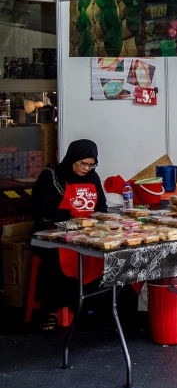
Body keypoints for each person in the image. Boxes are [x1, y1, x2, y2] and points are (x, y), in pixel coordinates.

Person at [31, 139, 109, 331]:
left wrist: (97, 220)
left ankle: (91, 305)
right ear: (72, 158)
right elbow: (40, 210)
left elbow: (102, 207)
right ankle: (50, 311)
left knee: (103, 258)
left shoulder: (93, 177)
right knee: (58, 258)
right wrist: (68, 216)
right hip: (51, 234)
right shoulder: (50, 177)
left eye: (91, 165)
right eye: (83, 163)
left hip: (86, 234)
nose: (87, 168)